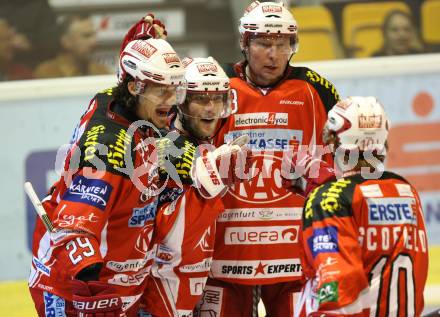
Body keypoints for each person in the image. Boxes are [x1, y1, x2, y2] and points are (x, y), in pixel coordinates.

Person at [28, 15, 250, 316]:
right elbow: (74, 228)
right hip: (84, 293)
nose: (173, 102)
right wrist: (87, 269)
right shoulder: (108, 152)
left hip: (124, 286)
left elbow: (156, 134)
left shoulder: (115, 101)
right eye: (163, 91)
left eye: (176, 90)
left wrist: (142, 40)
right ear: (135, 86)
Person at [195, 1, 340, 316]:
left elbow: (348, 153)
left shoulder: (316, 88)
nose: (273, 54)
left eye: (282, 43)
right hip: (226, 258)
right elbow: (188, 152)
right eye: (263, 43)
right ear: (245, 43)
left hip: (294, 258)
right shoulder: (217, 89)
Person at [293, 96, 429, 316]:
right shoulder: (406, 191)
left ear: (333, 141)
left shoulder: (328, 199)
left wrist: (319, 193)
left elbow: (336, 288)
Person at [139, 56, 243, 317]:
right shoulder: (164, 145)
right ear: (181, 101)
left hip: (186, 287)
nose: (210, 109)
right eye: (200, 99)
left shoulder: (203, 145)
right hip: (155, 293)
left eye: (218, 99)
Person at [34, 14, 110, 78]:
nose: (94, 42)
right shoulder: (47, 73)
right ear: (66, 42)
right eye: (86, 36)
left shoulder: (102, 72)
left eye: (94, 35)